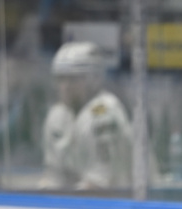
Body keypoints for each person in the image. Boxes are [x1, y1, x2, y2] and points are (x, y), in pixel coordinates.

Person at [40, 41, 132, 191]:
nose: (65, 86)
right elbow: (54, 175)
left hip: (120, 202)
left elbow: (99, 183)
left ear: (94, 79)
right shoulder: (58, 115)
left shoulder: (103, 111)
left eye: (73, 79)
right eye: (61, 79)